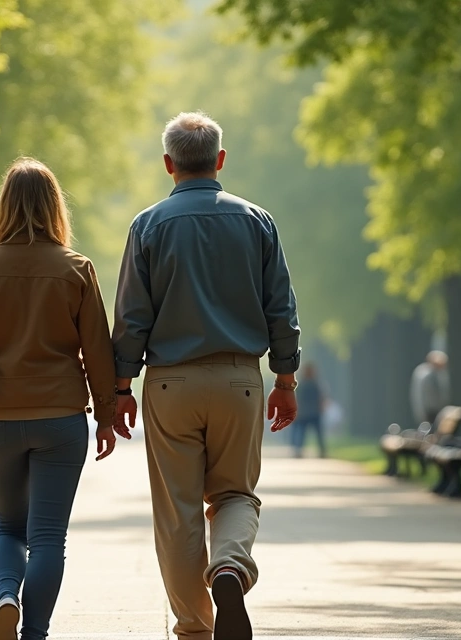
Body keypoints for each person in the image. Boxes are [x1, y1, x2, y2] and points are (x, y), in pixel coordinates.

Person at [112, 112, 301, 640]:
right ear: (220, 160)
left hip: (170, 382)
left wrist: (120, 386)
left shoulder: (148, 225)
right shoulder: (257, 221)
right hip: (240, 379)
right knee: (236, 495)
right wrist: (284, 379)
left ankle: (194, 628)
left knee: (178, 512)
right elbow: (281, 309)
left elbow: (131, 316)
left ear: (168, 164)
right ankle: (230, 567)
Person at [0, 158, 121, 640]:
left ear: (4, 207)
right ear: (56, 207)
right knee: (47, 539)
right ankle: (34, 633)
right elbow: (97, 350)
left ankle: (5, 598)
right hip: (61, 419)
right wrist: (105, 414)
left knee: (8, 528)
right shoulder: (77, 269)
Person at [291, 363, 327, 458]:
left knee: (303, 433)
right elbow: (321, 397)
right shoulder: (315, 383)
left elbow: (296, 398)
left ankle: (299, 451)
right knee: (316, 433)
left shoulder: (302, 384)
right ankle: (321, 451)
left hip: (306, 412)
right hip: (311, 412)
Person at [409, 350, 450, 426]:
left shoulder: (438, 374)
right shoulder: (425, 374)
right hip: (429, 411)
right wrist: (422, 413)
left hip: (435, 410)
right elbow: (420, 395)